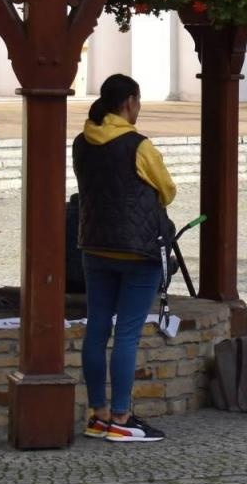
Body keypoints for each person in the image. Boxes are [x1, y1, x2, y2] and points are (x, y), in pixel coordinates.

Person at [73, 74, 176, 443]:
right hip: (137, 249)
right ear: (130, 102)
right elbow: (167, 190)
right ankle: (121, 415)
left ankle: (97, 413)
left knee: (97, 327)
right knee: (127, 334)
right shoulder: (138, 145)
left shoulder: (81, 142)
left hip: (94, 245)